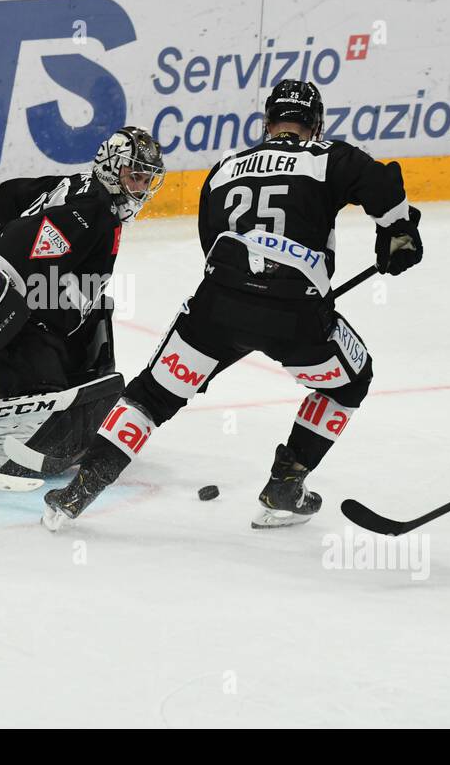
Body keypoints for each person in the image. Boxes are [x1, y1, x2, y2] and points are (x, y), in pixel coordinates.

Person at [42, 80, 423, 529]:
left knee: (150, 397)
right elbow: (382, 186)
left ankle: (77, 493)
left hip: (217, 307)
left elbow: (211, 247)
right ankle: (285, 484)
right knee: (349, 383)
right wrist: (397, 234)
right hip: (296, 315)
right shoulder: (327, 157)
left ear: (267, 123)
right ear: (316, 125)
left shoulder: (224, 169)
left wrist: (243, 303)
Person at [0, 127, 166, 478]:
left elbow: (13, 196)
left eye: (147, 179)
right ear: (110, 167)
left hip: (33, 298)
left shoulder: (78, 185)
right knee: (45, 394)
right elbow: (23, 243)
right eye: (134, 176)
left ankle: (40, 393)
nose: (141, 188)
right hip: (10, 306)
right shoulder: (93, 212)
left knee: (98, 312)